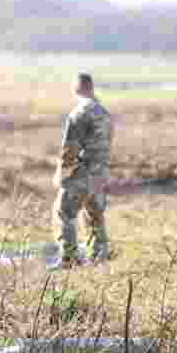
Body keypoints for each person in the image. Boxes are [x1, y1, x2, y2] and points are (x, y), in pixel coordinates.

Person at [52, 72, 113, 269]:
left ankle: (69, 258)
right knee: (94, 215)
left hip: (82, 174)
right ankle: (100, 257)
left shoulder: (79, 114)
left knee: (63, 212)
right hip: (100, 176)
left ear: (76, 89)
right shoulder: (105, 114)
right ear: (91, 87)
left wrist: (61, 175)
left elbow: (69, 150)